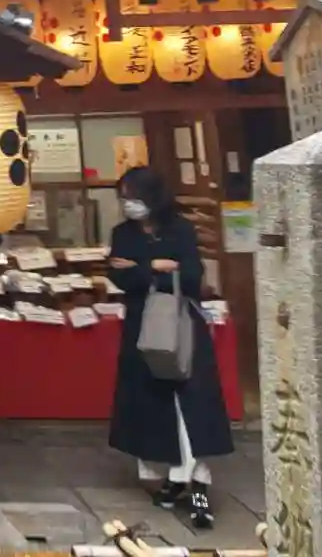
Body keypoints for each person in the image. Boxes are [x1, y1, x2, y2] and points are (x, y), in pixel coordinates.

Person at [106, 166, 233, 531]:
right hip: (144, 329)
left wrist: (143, 269)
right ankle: (174, 478)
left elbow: (192, 275)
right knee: (154, 404)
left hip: (182, 328)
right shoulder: (123, 233)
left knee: (190, 405)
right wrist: (155, 266)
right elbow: (119, 274)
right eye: (124, 198)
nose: (128, 204)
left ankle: (198, 489)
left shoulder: (181, 229)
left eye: (133, 197)